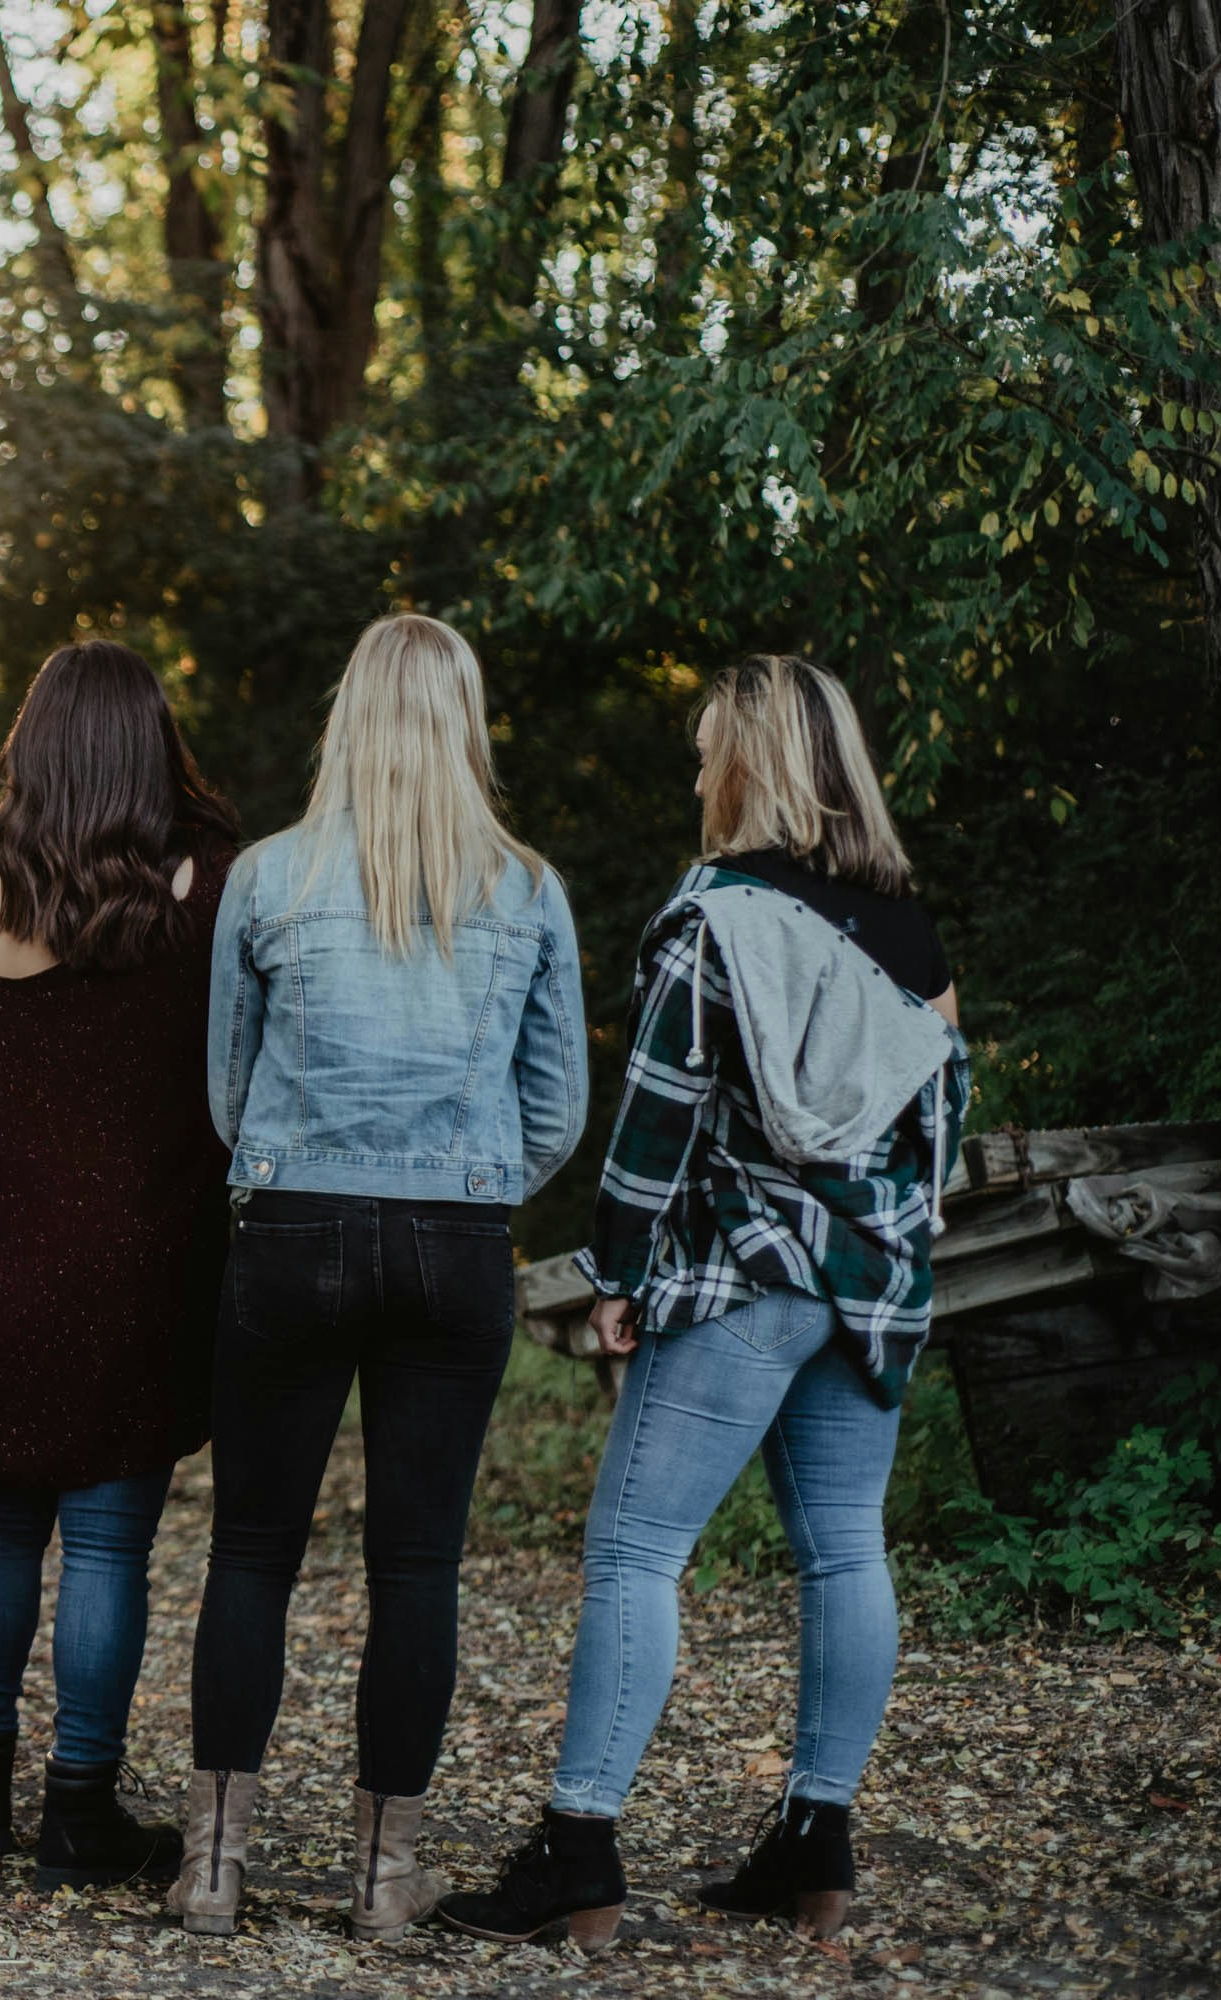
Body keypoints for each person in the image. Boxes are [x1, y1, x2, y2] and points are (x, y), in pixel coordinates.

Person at [441, 655, 966, 1950]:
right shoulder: (912, 936)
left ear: (751, 761)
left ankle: (577, 1853)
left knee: (635, 1550)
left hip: (745, 1276)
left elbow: (660, 1118)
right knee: (846, 1547)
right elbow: (941, 1136)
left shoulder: (714, 917)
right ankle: (816, 1844)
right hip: (875, 1288)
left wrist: (621, 1273)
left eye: (703, 748)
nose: (692, 770)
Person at [176, 613, 587, 1939]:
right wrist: (470, 1186)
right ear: (462, 722)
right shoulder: (525, 888)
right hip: (454, 1243)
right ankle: (383, 1881)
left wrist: (301, 1165)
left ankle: (215, 1868)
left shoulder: (270, 878)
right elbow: (557, 1108)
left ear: (348, 716)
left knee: (250, 1552)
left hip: (291, 1229)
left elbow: (227, 1090)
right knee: (418, 1567)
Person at [0, 641, 240, 1893]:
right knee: (108, 1547)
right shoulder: (207, 894)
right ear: (149, 755)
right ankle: (78, 1804)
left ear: (31, 753)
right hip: (136, 1275)